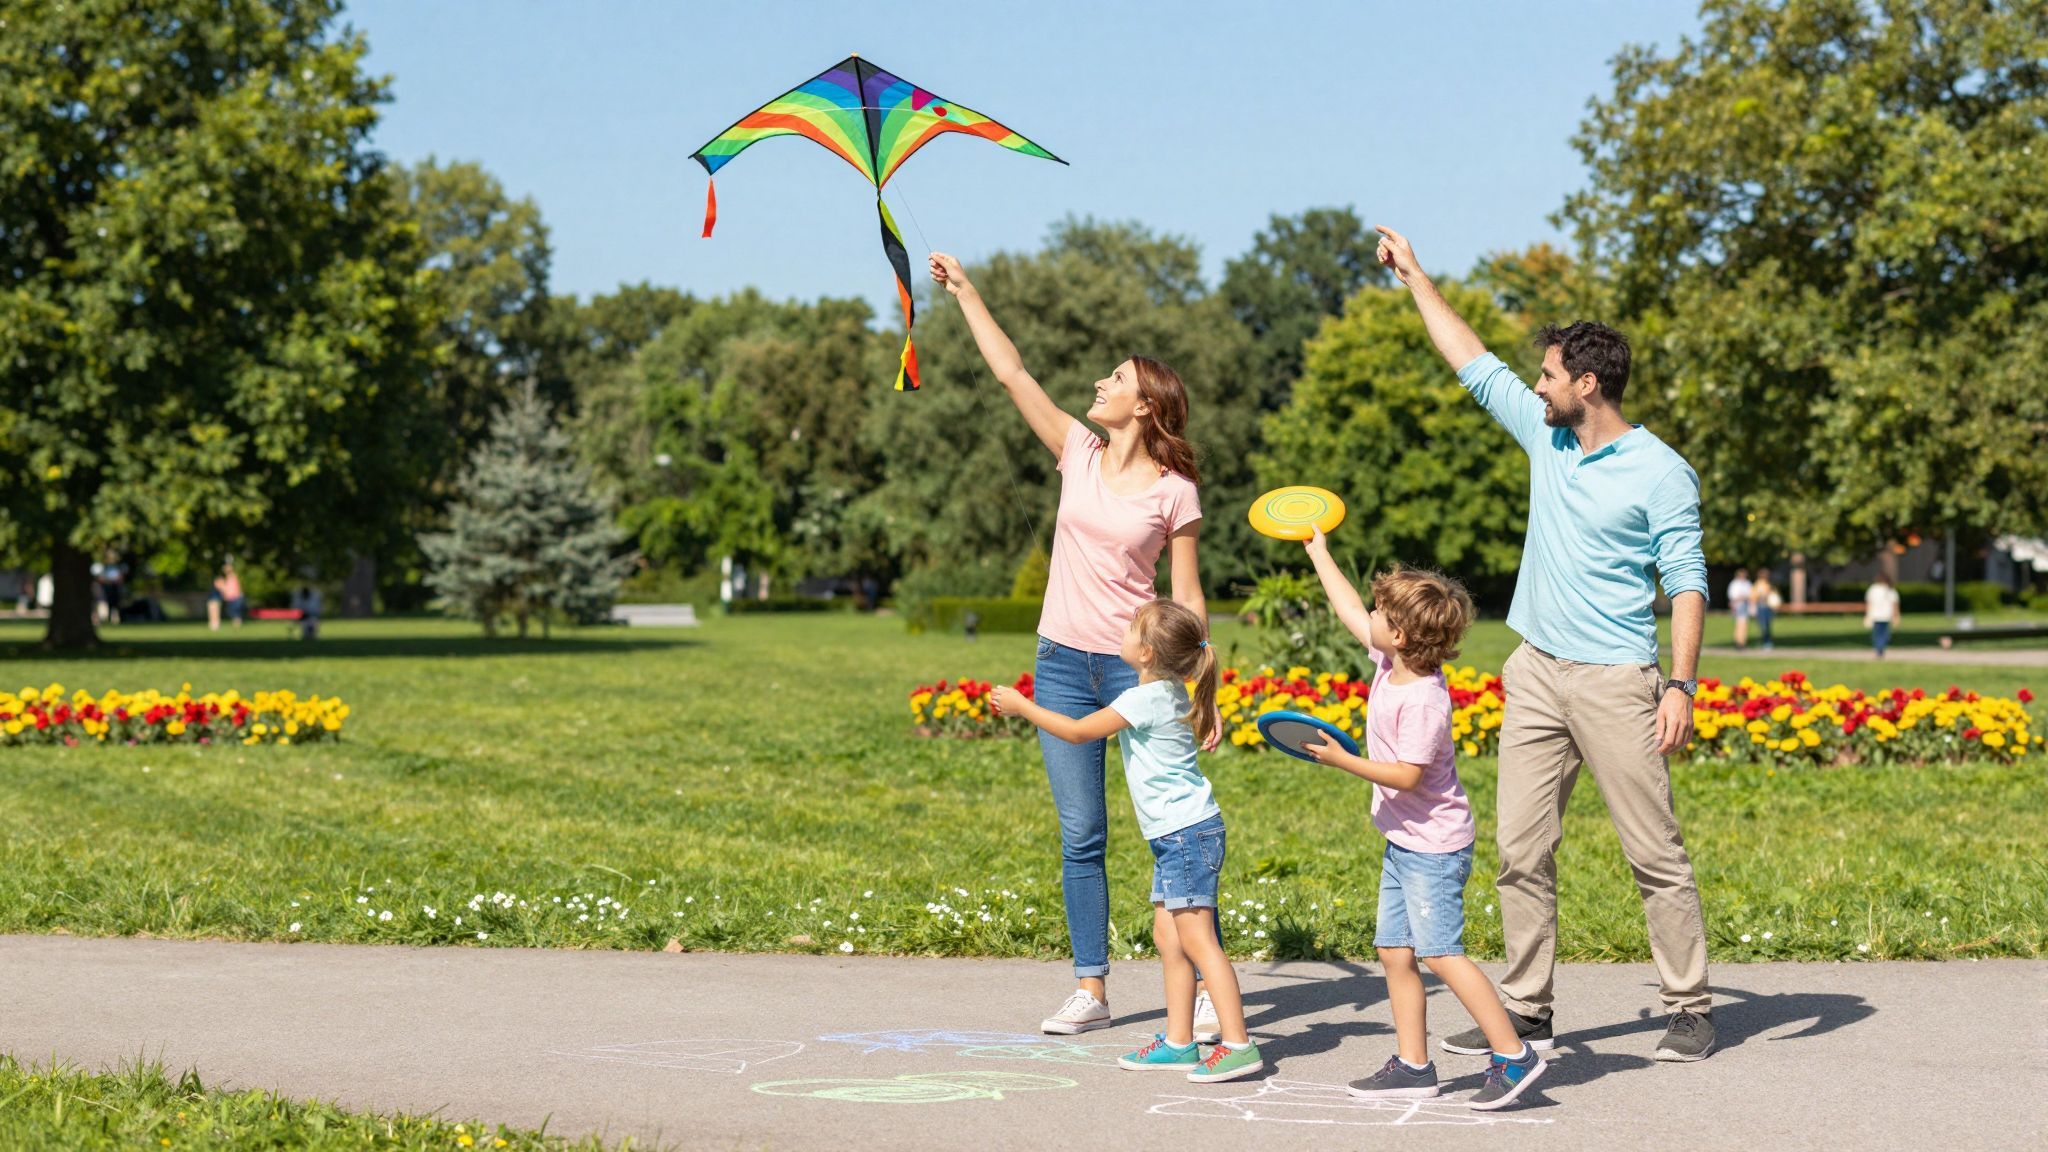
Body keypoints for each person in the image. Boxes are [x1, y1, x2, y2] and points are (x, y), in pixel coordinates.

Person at [1376, 225, 1716, 1062]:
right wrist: (1416, 276)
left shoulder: (1661, 472)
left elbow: (1687, 582)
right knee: (1521, 851)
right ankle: (1528, 1006)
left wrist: (1679, 686)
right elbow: (1472, 359)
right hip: (1534, 672)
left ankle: (1690, 1004)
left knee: (1653, 851)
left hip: (1616, 680)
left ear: (1588, 384)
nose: (1538, 387)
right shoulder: (1547, 436)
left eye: (1551, 375)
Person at [929, 250, 1222, 1040]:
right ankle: (1091, 987)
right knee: (1081, 833)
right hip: (1060, 662)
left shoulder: (1174, 490)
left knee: (1174, 826)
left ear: (1146, 406)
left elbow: (1187, 599)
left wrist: (1202, 687)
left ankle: (1199, 981)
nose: (1100, 384)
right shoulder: (1078, 453)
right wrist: (967, 293)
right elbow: (1012, 375)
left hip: (1140, 673)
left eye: (1115, 380)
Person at [1299, 538, 1547, 1109]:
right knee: (1394, 951)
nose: (1371, 620)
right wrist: (1318, 550)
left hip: (1434, 848)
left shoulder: (1425, 702)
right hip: (1403, 840)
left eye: (1382, 616)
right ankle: (1414, 1065)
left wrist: (1341, 760)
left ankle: (1513, 1055)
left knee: (1440, 953)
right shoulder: (1390, 662)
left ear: (1403, 636)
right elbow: (1347, 609)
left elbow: (1407, 776)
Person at [991, 599, 1263, 1084]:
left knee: (1199, 943)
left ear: (1146, 652)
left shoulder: (1145, 698)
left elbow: (1076, 732)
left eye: (1132, 628)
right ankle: (1180, 1043)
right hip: (1179, 834)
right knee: (1169, 938)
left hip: (1185, 835)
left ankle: (1239, 1044)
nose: (1123, 632)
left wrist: (1023, 707)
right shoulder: (1170, 689)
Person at [1863, 573, 1901, 658]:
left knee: (1878, 633)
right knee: (1883, 633)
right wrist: (1896, 615)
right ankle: (1880, 648)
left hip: (1878, 615)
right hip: (1883, 615)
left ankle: (1879, 648)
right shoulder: (1887, 589)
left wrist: (1867, 614)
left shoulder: (1875, 589)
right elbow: (1895, 604)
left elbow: (1869, 603)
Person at [209, 561, 244, 631]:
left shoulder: (232, 577)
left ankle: (237, 625)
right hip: (230, 597)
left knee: (235, 612)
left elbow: (234, 588)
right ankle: (236, 624)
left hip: (235, 597)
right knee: (232, 612)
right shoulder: (227, 578)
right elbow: (226, 589)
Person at [1726, 567, 1753, 650]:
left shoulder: (1747, 583)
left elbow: (1751, 594)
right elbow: (1732, 595)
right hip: (1738, 605)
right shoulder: (1735, 584)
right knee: (1739, 623)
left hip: (1746, 604)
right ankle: (1738, 641)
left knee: (1745, 624)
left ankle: (1743, 641)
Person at [1752, 570, 1779, 651]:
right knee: (1763, 625)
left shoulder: (1769, 584)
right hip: (1762, 606)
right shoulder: (1759, 584)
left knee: (1767, 625)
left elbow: (1774, 596)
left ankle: (1768, 642)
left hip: (1768, 607)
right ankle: (1765, 642)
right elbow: (1754, 596)